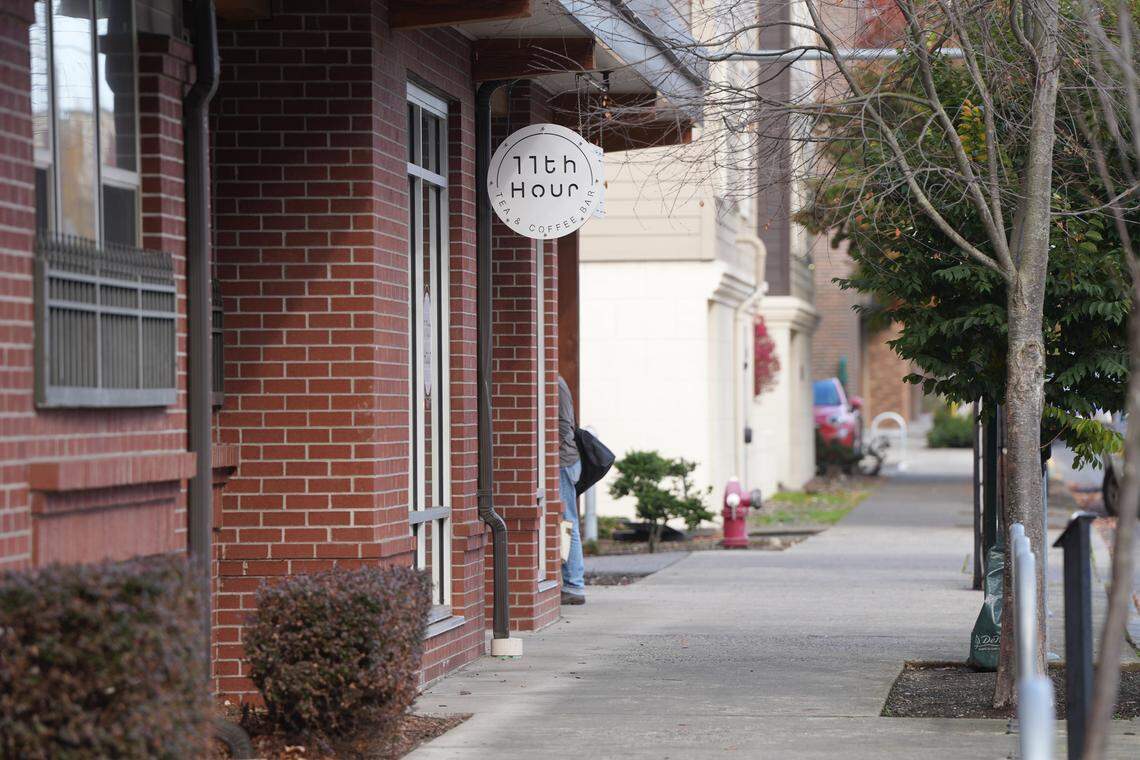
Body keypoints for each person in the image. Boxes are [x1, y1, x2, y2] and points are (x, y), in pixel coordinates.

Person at [557, 375, 585, 605]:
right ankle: (571, 582)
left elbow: (565, 425)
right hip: (564, 461)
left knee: (567, 522)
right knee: (565, 522)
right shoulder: (555, 381)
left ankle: (574, 585)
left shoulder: (555, 383)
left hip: (563, 462)